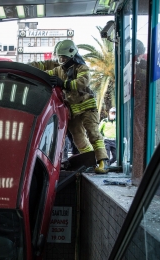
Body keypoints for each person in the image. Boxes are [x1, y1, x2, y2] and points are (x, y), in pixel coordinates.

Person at [28, 40, 109, 173]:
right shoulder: (58, 70)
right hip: (73, 111)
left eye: (64, 57)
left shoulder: (82, 68)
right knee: (78, 137)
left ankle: (103, 161)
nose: (61, 59)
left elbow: (82, 82)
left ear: (72, 55)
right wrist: (27, 69)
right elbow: (44, 72)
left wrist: (63, 83)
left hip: (87, 108)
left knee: (93, 133)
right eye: (60, 57)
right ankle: (90, 160)